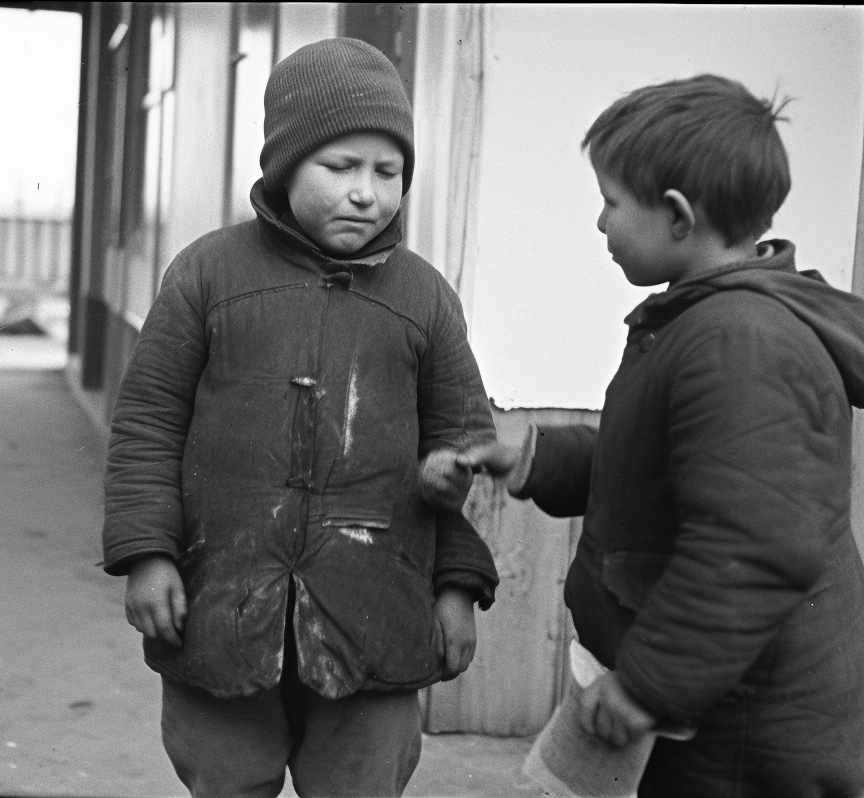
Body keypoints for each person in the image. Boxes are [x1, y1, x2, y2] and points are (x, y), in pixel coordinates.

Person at [101, 38, 498, 798]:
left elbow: (464, 445)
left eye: (388, 172)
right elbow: (147, 425)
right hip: (220, 605)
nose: (367, 193)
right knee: (226, 775)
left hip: (376, 611)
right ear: (284, 167)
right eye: (340, 167)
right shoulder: (205, 274)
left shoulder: (426, 298)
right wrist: (146, 553)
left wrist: (457, 583)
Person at [459, 74, 864, 797]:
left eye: (612, 203)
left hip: (740, 734)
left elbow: (751, 547)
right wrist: (533, 459)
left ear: (678, 216)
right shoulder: (700, 321)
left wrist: (650, 687)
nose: (600, 224)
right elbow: (655, 466)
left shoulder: (739, 343)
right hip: (709, 705)